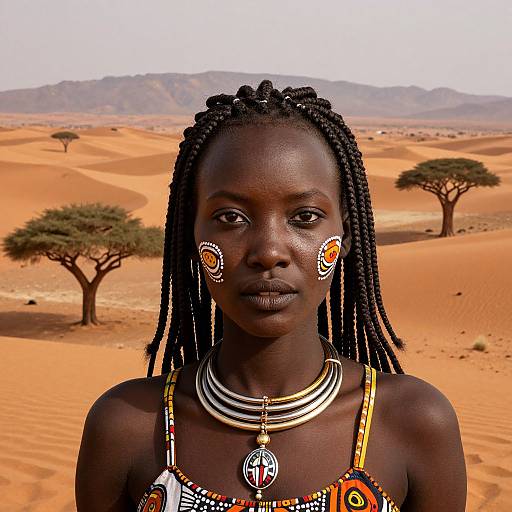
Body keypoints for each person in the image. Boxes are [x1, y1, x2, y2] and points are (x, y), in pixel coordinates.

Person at [75, 81, 467, 511]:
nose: (269, 252)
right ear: (191, 234)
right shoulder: (126, 426)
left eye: (304, 217)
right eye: (231, 217)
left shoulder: (415, 423)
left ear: (346, 233)